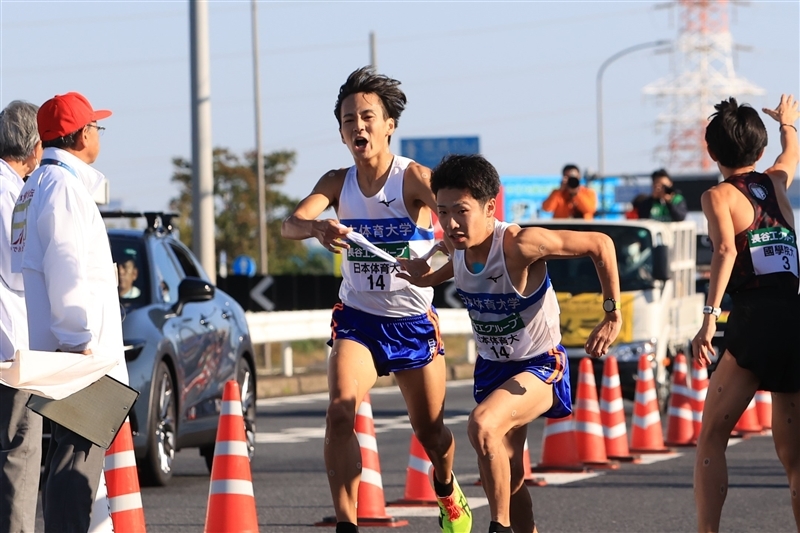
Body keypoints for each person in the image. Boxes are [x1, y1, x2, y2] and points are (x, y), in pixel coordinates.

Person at [280, 67, 472, 533]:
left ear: (389, 125)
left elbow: (459, 227)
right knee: (340, 409)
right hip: (358, 319)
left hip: (411, 321)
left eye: (368, 117)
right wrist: (316, 227)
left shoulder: (413, 179)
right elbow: (289, 224)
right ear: (341, 132)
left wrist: (439, 254)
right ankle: (348, 524)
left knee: (431, 433)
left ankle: (446, 487)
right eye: (349, 120)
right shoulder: (336, 181)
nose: (358, 127)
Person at [399, 154, 622, 533]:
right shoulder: (457, 244)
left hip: (539, 364)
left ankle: (496, 528)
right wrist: (427, 279)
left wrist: (612, 313)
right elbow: (454, 262)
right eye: (442, 212)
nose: (450, 223)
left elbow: (601, 244)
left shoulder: (520, 244)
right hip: (493, 367)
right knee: (510, 472)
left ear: (490, 207)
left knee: (482, 427)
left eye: (461, 211)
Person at [9, 92, 129, 532]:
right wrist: (80, 341)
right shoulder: (62, 188)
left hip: (60, 347)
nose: (99, 133)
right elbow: (67, 267)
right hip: (78, 353)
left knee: (69, 460)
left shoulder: (37, 184)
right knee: (75, 465)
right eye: (96, 126)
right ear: (80, 135)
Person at [691, 94, 800, 532]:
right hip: (793, 315)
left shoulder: (718, 196)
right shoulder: (775, 183)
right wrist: (788, 124)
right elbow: (790, 154)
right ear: (758, 152)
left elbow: (722, 250)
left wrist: (709, 318)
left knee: (713, 436)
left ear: (712, 152)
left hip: (754, 320)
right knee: (795, 459)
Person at [0, 100, 43, 533]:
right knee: (19, 453)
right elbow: (17, 269)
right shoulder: (11, 194)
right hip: (10, 347)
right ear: (33, 148)